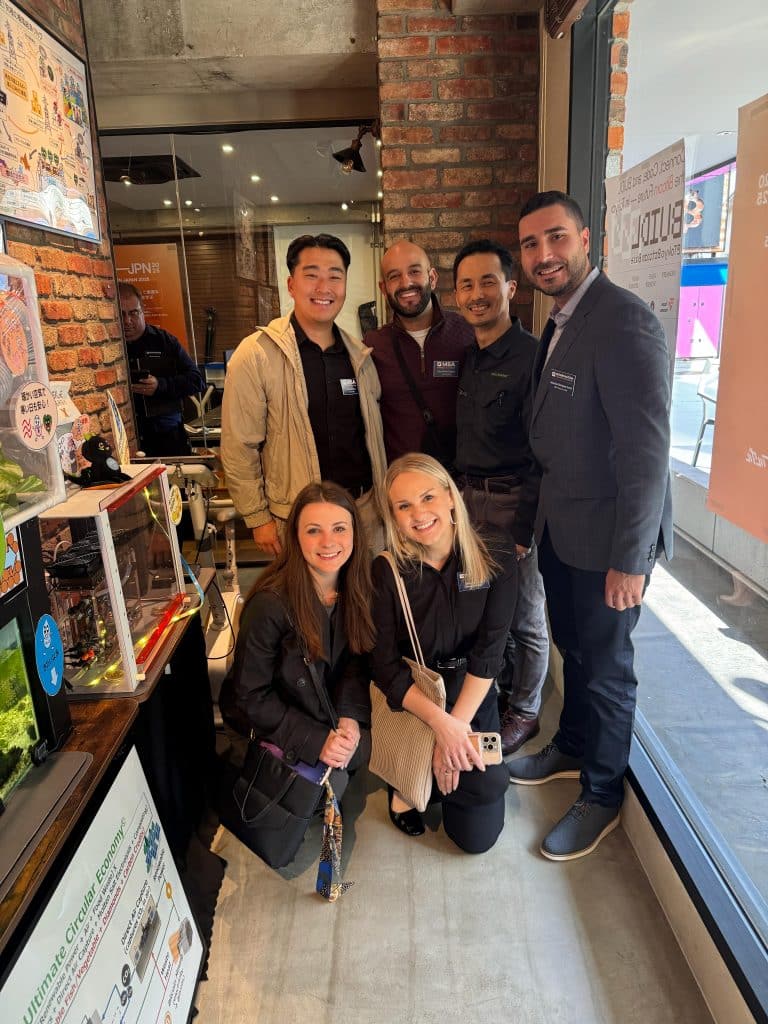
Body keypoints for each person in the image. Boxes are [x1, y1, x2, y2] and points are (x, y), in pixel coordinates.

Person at [509, 190, 672, 861]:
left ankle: (602, 794)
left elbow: (646, 454)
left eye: (556, 238)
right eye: (530, 244)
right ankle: (573, 746)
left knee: (607, 671)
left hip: (609, 543)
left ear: (586, 238)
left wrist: (631, 560)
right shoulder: (561, 319)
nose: (543, 255)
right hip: (563, 532)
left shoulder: (623, 320)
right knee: (574, 651)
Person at [370, 453, 514, 854]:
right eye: (404, 506)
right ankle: (410, 782)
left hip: (472, 691)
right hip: (418, 696)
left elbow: (490, 651)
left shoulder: (495, 549)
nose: (419, 514)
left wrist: (454, 732)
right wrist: (440, 725)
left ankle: (432, 778)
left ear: (451, 496)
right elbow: (383, 666)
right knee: (454, 779)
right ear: (393, 517)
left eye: (428, 497)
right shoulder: (387, 571)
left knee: (478, 831)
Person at [221, 234, 386, 556]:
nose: (324, 288)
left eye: (335, 277)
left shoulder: (360, 356)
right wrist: (257, 517)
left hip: (363, 513)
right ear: (291, 284)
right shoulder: (257, 354)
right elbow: (239, 445)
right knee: (305, 592)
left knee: (366, 589)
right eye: (311, 275)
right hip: (297, 519)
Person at [452, 239, 549, 757]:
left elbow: (541, 454)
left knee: (526, 615)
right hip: (466, 503)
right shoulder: (468, 356)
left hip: (511, 503)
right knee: (486, 609)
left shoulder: (532, 358)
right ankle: (494, 697)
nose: (477, 294)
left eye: (488, 282)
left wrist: (523, 528)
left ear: (511, 288)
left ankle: (526, 712)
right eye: (466, 285)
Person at [226, 481, 374, 814]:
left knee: (353, 761)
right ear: (295, 536)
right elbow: (250, 696)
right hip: (280, 725)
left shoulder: (358, 587)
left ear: (355, 533)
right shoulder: (270, 604)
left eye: (339, 528)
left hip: (327, 715)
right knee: (303, 807)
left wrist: (350, 719)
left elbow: (356, 662)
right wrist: (315, 740)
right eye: (313, 530)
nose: (328, 542)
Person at [365, 239, 473, 465]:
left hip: (460, 477)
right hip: (401, 478)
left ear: (432, 278)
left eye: (414, 271)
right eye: (394, 276)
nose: (406, 283)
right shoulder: (373, 346)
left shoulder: (467, 333)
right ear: (383, 289)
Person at [119, 283, 203, 456]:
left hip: (168, 438)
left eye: (133, 313)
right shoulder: (110, 346)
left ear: (143, 311)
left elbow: (197, 380)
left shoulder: (164, 341)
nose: (127, 321)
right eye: (121, 314)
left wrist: (160, 385)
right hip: (126, 441)